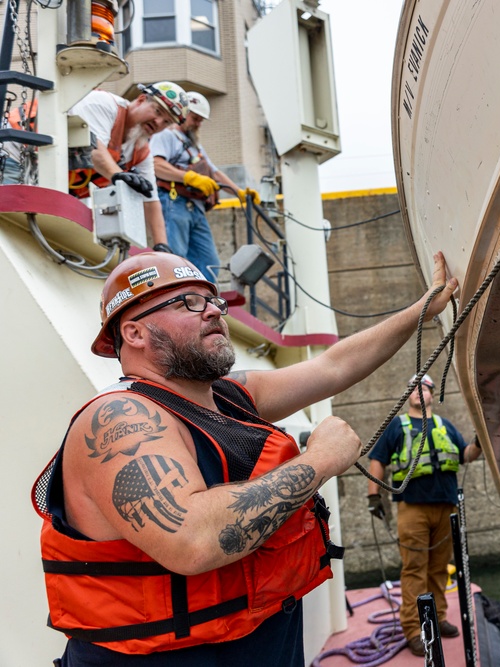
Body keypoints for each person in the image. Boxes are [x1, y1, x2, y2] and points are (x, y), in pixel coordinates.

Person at [32, 250, 459, 665]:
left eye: (212, 300)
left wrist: (422, 310)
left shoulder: (228, 396)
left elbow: (334, 367)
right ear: (135, 333)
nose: (215, 311)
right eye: (189, 302)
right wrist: (321, 460)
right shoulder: (118, 419)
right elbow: (192, 541)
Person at [366, 374, 481, 656]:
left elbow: (465, 454)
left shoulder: (444, 425)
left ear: (432, 394)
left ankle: (438, 618)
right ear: (409, 397)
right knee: (415, 568)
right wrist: (373, 496)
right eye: (413, 390)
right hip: (413, 508)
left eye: (424, 388)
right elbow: (377, 460)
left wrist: (479, 442)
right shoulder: (397, 426)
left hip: (445, 506)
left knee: (439, 567)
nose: (418, 392)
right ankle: (414, 629)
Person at [67, 81, 190, 252]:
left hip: (56, 185)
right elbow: (93, 150)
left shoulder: (140, 149)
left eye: (166, 122)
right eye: (157, 111)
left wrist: (162, 246)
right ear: (141, 99)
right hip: (20, 158)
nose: (158, 122)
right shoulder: (105, 105)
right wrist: (118, 174)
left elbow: (151, 200)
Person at [151, 91, 259, 282]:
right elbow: (156, 165)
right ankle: (176, 299)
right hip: (174, 202)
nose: (198, 123)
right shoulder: (166, 136)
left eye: (201, 120)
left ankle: (199, 299)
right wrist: (188, 177)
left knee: (208, 262)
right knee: (174, 260)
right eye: (195, 118)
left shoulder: (194, 146)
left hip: (195, 208)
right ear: (183, 114)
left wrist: (238, 192)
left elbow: (214, 173)